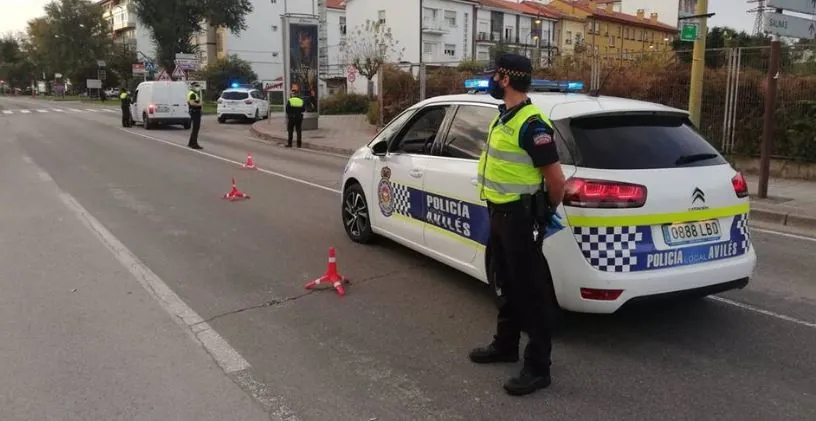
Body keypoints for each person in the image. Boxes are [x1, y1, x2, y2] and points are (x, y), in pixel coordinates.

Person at [469, 53, 566, 397]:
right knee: (505, 284)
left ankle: (538, 367)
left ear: (506, 79)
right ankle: (505, 344)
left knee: (532, 293)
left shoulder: (531, 124)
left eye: (495, 75)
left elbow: (556, 180)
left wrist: (543, 213)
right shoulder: (505, 118)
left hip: (520, 220)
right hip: (499, 215)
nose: (492, 81)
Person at [187, 82, 203, 150]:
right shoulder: (192, 94)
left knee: (195, 128)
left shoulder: (193, 93)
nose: (198, 87)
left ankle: (191, 143)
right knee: (196, 128)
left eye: (198, 86)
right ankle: (194, 144)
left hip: (195, 112)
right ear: (192, 87)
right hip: (195, 112)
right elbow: (192, 103)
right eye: (196, 86)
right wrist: (200, 104)